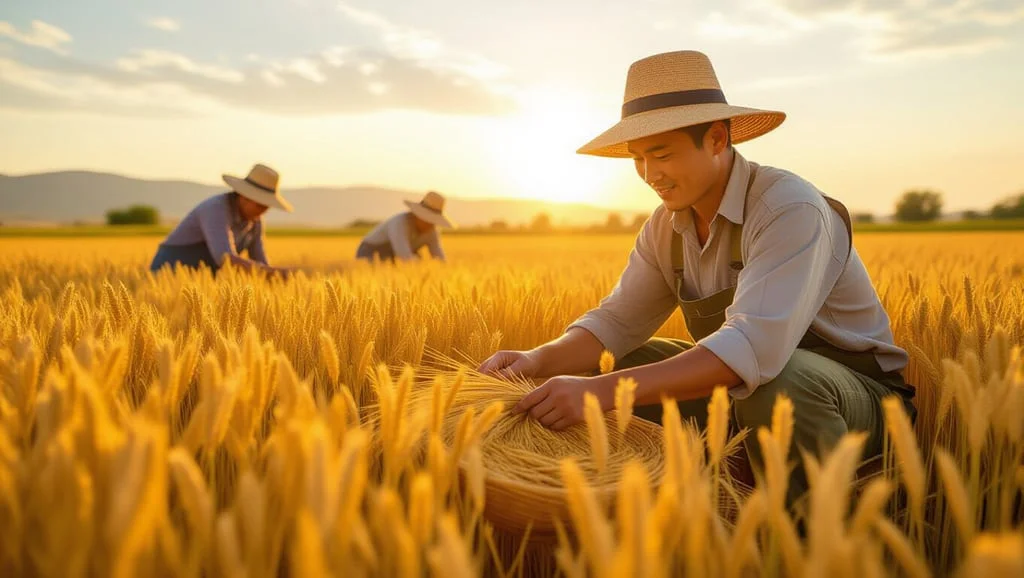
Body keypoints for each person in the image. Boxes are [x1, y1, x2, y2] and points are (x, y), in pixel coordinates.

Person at [477, 50, 915, 506]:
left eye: (662, 154)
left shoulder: (789, 207)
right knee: (617, 364)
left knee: (778, 387)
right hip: (749, 387)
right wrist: (538, 360)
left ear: (717, 138)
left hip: (856, 398)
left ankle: (811, 534)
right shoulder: (666, 225)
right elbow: (616, 323)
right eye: (638, 159)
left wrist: (595, 393)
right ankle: (683, 505)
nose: (650, 175)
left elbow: (752, 349)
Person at [149, 163, 294, 277]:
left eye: (267, 206)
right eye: (260, 205)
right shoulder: (215, 209)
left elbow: (260, 262)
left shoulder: (255, 222)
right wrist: (272, 272)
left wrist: (275, 277)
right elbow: (224, 259)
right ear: (244, 196)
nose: (263, 211)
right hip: (166, 274)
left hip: (201, 281)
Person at [356, 191, 455, 263]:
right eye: (428, 219)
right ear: (418, 215)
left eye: (433, 221)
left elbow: (439, 257)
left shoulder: (432, 230)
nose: (430, 224)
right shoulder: (399, 223)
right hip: (370, 250)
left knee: (416, 260)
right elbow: (404, 256)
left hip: (394, 254)